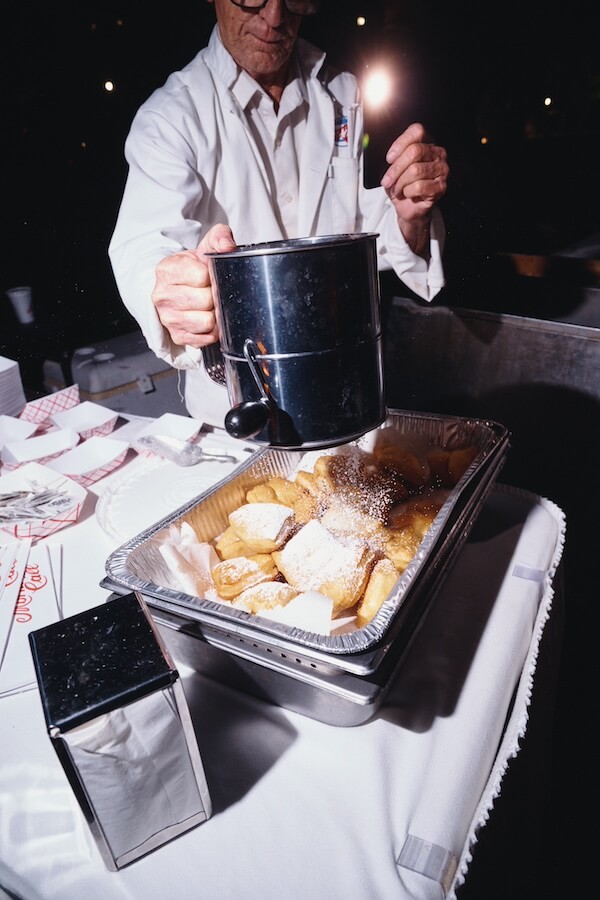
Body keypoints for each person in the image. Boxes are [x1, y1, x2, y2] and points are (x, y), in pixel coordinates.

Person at [108, 0, 449, 428]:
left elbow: (366, 232)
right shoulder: (171, 117)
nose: (274, 18)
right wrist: (170, 288)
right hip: (236, 416)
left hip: (347, 395)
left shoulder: (343, 91)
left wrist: (411, 214)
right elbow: (143, 245)